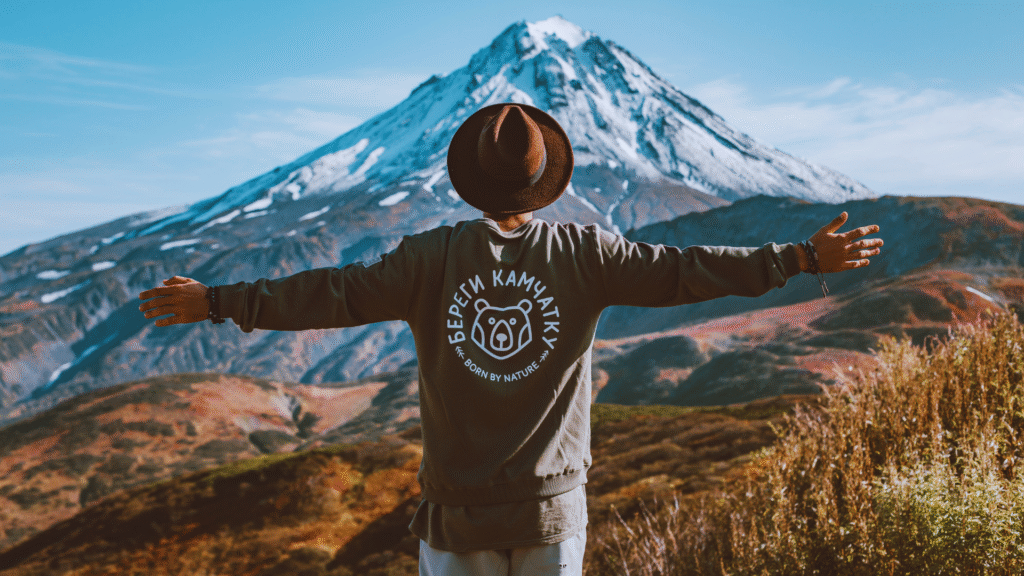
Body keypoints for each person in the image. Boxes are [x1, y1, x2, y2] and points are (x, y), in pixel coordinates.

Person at [139, 103, 883, 576]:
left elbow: (330, 294)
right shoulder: (585, 254)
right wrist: (799, 258)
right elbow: (686, 272)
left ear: (468, 180)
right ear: (544, 179)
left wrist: (219, 302)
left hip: (456, 515)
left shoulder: (427, 259)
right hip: (550, 511)